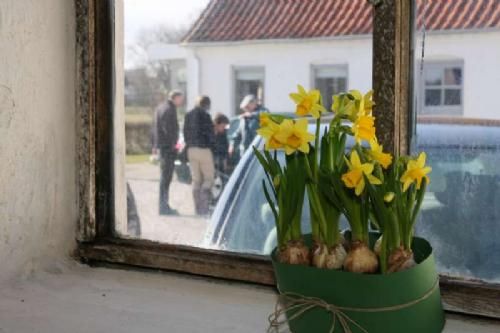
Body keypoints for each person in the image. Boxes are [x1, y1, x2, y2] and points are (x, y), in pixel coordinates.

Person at [153, 90, 184, 216]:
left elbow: (155, 128)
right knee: (166, 178)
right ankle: (163, 207)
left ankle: (164, 206)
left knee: (165, 178)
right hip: (168, 149)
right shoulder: (169, 109)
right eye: (181, 99)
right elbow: (168, 130)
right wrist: (175, 144)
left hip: (164, 147)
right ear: (175, 97)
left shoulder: (161, 107)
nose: (182, 101)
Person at [183, 96, 215, 216]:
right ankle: (204, 208)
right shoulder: (206, 116)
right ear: (206, 104)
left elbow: (185, 133)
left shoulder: (188, 115)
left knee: (196, 180)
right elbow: (210, 134)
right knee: (208, 179)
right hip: (204, 150)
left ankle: (197, 209)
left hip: (191, 149)